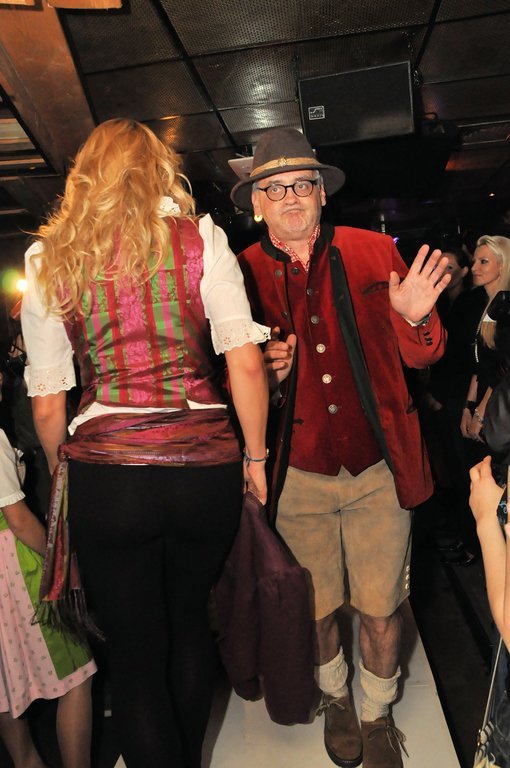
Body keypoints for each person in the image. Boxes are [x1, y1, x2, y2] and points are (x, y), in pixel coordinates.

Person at [21, 118, 269, 768]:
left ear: (84, 176)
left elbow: (48, 402)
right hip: (204, 469)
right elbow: (245, 363)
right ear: (160, 169)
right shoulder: (201, 237)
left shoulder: (50, 258)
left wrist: (62, 470)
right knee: (188, 622)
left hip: (109, 476)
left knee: (134, 653)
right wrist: (256, 457)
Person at [230, 127, 450, 768]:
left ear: (322, 193)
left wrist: (414, 316)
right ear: (257, 204)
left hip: (379, 469)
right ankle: (336, 698)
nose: (291, 198)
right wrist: (261, 378)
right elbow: (220, 377)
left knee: (381, 609)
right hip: (295, 474)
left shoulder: (373, 250)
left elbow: (425, 355)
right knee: (318, 609)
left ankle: (378, 713)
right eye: (275, 189)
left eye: (302, 184)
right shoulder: (237, 274)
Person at [0, 428, 95, 768]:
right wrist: (61, 563)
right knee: (77, 673)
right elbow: (18, 519)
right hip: (12, 568)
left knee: (5, 688)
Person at [460, 235, 510, 444]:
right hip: (486, 406)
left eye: (483, 262)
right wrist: (468, 407)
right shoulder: (485, 306)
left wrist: (480, 412)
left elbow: (503, 369)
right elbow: (479, 365)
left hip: (500, 409)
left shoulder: (506, 310)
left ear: (503, 265)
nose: (474, 268)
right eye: (474, 261)